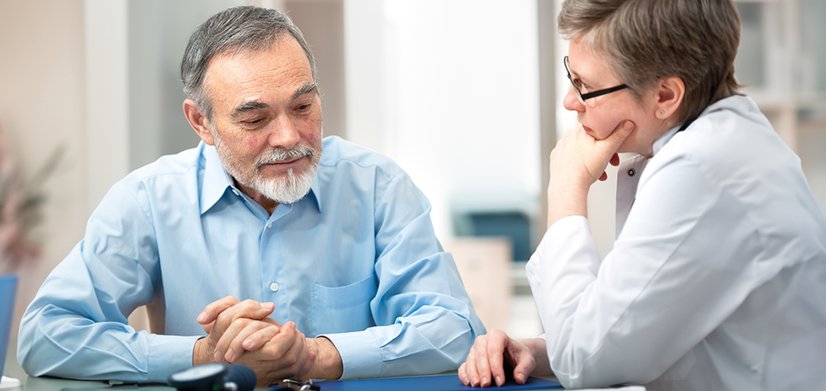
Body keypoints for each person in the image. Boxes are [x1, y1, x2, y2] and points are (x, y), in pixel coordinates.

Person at [18, 6, 484, 386]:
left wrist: (318, 356)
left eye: (303, 107)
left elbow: (455, 330)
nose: (288, 136)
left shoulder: (378, 186)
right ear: (201, 123)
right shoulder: (147, 200)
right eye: (255, 119)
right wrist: (204, 354)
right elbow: (45, 335)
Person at [459, 0, 826, 390]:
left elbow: (586, 360)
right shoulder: (720, 143)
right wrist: (537, 351)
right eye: (571, 76)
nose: (570, 101)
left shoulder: (701, 169)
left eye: (586, 86)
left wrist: (567, 188)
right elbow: (636, 328)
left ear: (665, 96)